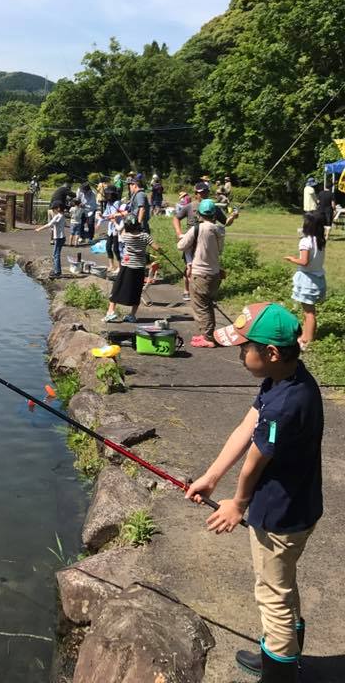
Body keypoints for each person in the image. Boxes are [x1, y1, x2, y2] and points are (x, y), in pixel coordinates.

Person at [186, 303, 323, 682]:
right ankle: (282, 656)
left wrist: (237, 503)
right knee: (281, 582)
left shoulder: (285, 404)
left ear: (271, 353)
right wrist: (212, 477)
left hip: (281, 515)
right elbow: (248, 426)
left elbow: (254, 460)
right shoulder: (284, 379)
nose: (240, 354)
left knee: (272, 595)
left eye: (245, 348)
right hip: (296, 507)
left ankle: (278, 673)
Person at [173, 181, 238, 302]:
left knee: (207, 267)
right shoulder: (190, 206)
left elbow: (225, 223)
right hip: (191, 240)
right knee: (189, 267)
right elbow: (176, 217)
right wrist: (179, 233)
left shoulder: (213, 207)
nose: (203, 194)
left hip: (207, 241)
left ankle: (206, 291)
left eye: (206, 192)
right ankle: (187, 290)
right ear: (196, 193)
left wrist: (233, 216)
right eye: (201, 192)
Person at [176, 198, 225, 348]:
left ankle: (208, 338)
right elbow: (220, 250)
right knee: (208, 304)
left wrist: (184, 237)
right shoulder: (219, 230)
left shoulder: (197, 228)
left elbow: (181, 246)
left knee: (201, 307)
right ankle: (205, 333)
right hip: (215, 274)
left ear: (200, 214)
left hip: (200, 273)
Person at [103, 215, 160, 324]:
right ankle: (132, 315)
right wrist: (161, 251)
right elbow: (156, 247)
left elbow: (121, 232)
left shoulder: (126, 236)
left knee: (117, 288)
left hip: (127, 266)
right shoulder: (145, 236)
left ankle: (111, 312)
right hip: (139, 267)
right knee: (136, 291)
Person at [284, 213, 326, 348]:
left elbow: (304, 261)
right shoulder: (320, 240)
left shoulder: (305, 241)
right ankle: (308, 333)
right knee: (309, 311)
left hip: (307, 281)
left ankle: (306, 340)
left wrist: (291, 259)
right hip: (318, 278)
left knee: (309, 313)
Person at [36, 203, 66, 279]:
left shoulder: (58, 216)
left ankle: (57, 272)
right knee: (55, 254)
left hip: (59, 237)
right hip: (59, 237)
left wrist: (40, 228)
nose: (53, 211)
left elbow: (49, 224)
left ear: (58, 208)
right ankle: (56, 270)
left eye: (53, 209)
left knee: (56, 255)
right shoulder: (61, 216)